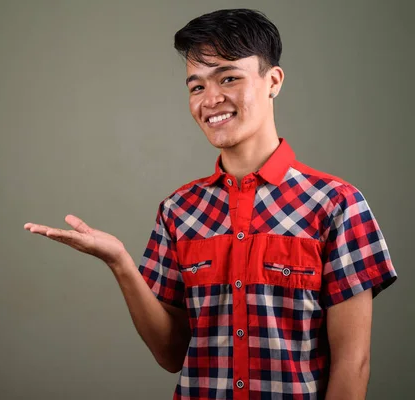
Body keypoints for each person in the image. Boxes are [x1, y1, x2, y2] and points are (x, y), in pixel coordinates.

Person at [23, 8, 397, 400]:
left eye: (229, 78)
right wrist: (119, 262)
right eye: (196, 86)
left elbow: (353, 364)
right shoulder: (178, 211)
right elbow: (170, 354)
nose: (211, 99)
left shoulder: (337, 204)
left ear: (273, 81)